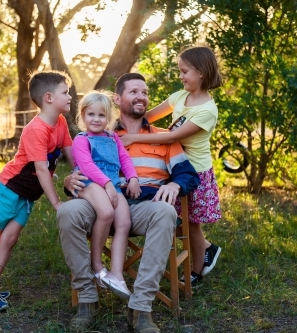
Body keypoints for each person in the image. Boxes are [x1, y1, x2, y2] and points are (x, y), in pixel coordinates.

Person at [57, 73, 200, 333]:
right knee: (68, 212)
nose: (141, 97)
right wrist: (69, 182)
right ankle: (87, 298)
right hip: (100, 203)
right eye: (134, 92)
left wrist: (174, 184)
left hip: (145, 205)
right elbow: (84, 168)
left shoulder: (163, 136)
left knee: (166, 212)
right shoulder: (100, 132)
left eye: (144, 92)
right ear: (117, 99)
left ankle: (140, 307)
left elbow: (188, 175)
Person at [0, 70, 74, 311]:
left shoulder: (61, 122)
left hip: (27, 195)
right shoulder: (36, 129)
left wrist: (80, 173)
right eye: (65, 92)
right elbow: (41, 169)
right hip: (8, 189)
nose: (70, 97)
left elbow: (70, 150)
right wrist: (57, 203)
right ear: (48, 97)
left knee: (10, 239)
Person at [120, 45, 223, 287]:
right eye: (180, 71)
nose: (180, 76)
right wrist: (120, 121)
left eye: (184, 71)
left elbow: (170, 137)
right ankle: (207, 248)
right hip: (172, 165)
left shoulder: (208, 110)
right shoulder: (179, 97)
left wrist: (135, 138)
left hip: (194, 171)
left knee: (191, 224)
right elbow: (148, 118)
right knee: (176, 219)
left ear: (201, 72)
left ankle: (197, 270)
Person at [72, 90, 141, 299]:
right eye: (91, 114)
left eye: (101, 115)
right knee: (106, 212)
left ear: (109, 118)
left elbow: (125, 159)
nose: (96, 119)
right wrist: (109, 184)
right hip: (88, 182)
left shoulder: (113, 138)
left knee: (124, 222)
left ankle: (116, 274)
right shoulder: (81, 139)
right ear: (83, 116)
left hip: (113, 184)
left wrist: (133, 178)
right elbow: (87, 166)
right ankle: (96, 264)